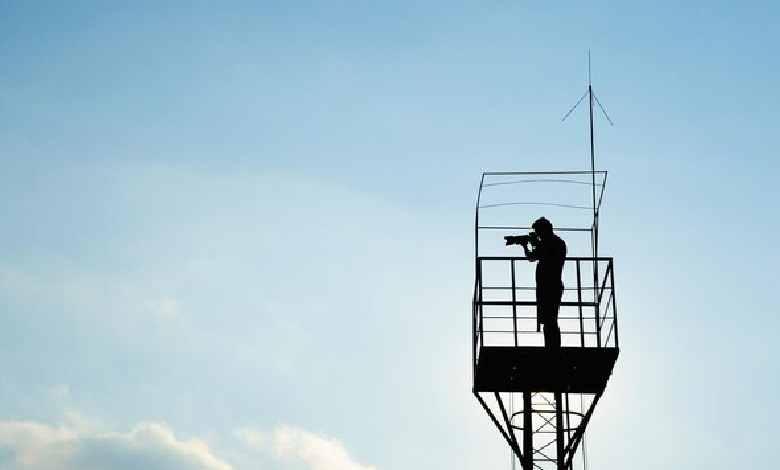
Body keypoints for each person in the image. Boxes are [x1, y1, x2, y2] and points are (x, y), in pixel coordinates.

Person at [506, 217, 567, 348]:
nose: (538, 235)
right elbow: (533, 257)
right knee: (548, 320)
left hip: (551, 285)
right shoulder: (552, 243)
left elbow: (537, 256)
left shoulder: (554, 243)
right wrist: (528, 246)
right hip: (546, 286)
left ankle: (553, 348)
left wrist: (532, 245)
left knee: (550, 320)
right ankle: (551, 347)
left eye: (539, 232)